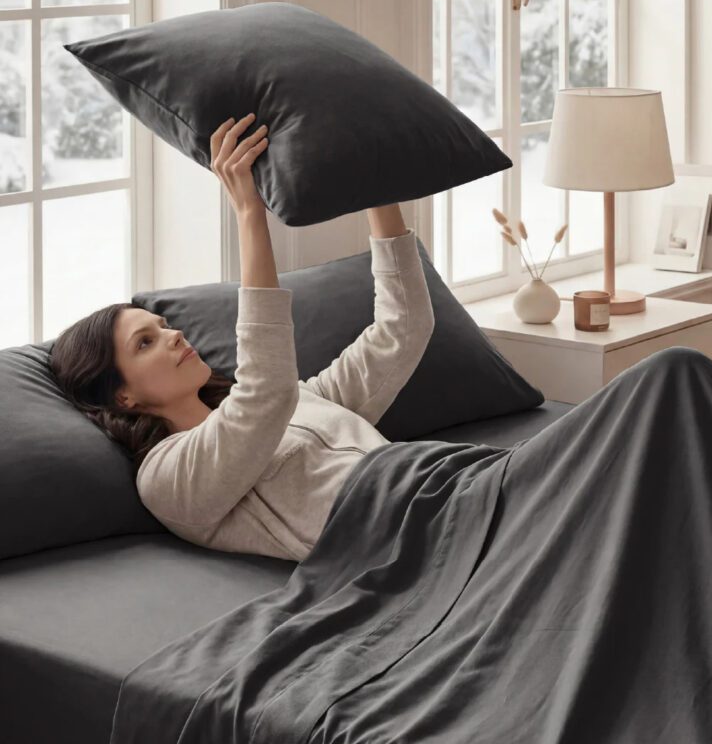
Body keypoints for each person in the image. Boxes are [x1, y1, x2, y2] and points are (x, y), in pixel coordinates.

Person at [49, 113, 436, 562]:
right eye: (145, 343)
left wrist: (377, 189)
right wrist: (249, 211)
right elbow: (263, 395)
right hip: (420, 539)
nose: (172, 336)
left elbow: (404, 330)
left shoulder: (301, 399)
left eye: (161, 328)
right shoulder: (167, 478)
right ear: (123, 397)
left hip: (446, 484)